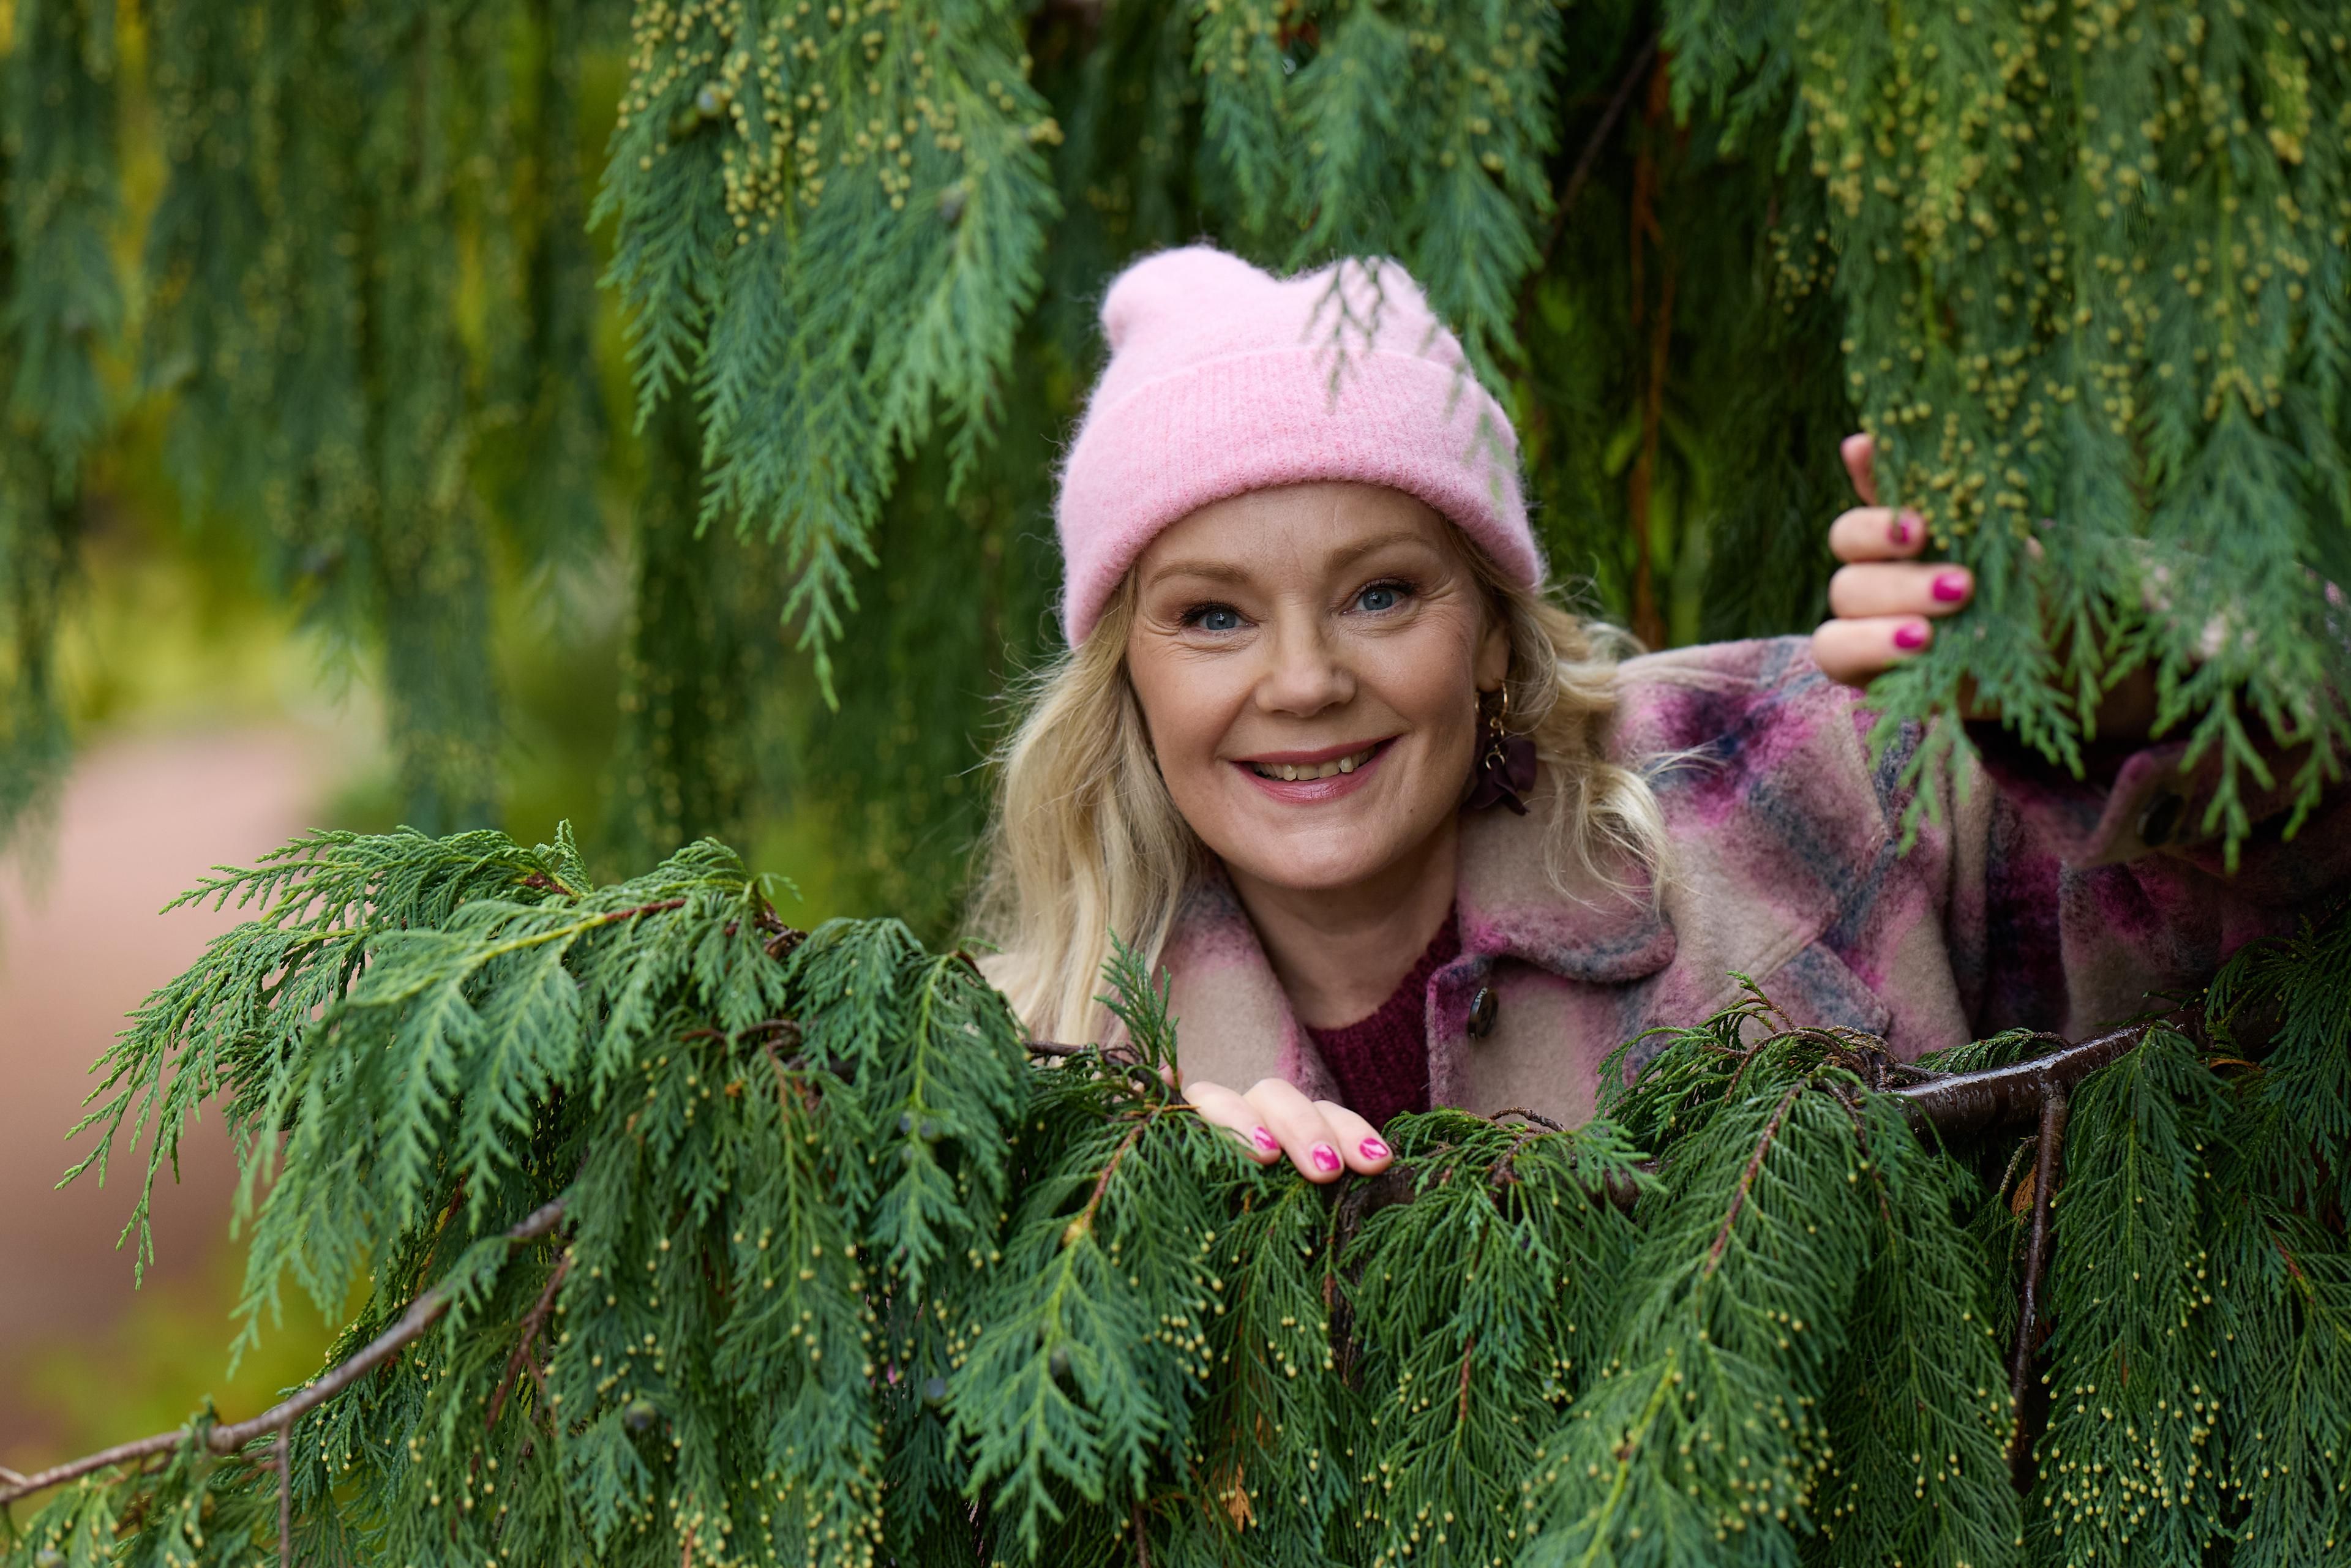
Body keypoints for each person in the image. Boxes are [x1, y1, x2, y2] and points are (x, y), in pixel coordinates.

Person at [970, 244, 2345, 1183]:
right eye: (1212, 616)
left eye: (1382, 595)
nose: (1304, 679)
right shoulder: (1024, 1074)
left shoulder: (1800, 783)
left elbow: (2278, 933)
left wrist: (2134, 691)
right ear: (1126, 677)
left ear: (1495, 636)